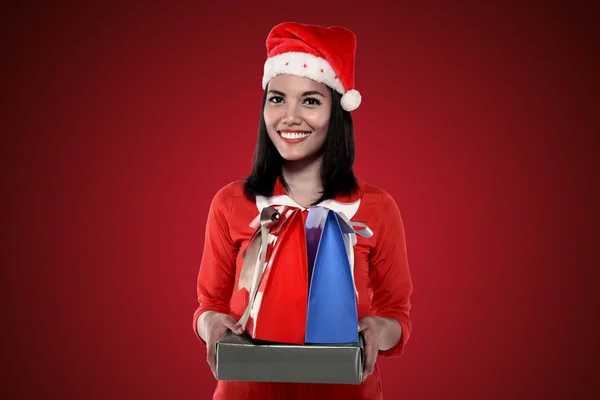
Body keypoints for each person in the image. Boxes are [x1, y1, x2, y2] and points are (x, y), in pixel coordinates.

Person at [193, 21, 413, 400]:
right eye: (277, 98)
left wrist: (378, 330)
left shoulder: (376, 208)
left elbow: (397, 312)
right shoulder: (231, 203)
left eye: (310, 100)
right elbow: (208, 305)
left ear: (337, 111)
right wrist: (210, 324)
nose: (289, 116)